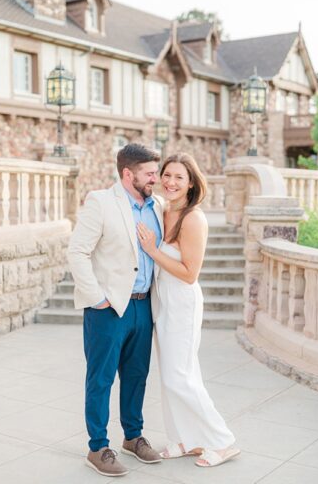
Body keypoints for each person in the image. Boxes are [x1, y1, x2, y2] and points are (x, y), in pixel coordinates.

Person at [136, 153, 240, 467]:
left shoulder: (193, 218)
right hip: (162, 302)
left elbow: (189, 272)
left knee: (181, 376)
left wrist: (153, 251)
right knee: (171, 377)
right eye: (167, 175)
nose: (170, 182)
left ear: (191, 182)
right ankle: (184, 439)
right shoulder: (163, 209)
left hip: (182, 302)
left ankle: (221, 441)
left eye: (179, 177)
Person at [68, 143, 164, 477]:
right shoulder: (101, 202)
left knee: (137, 377)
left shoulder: (158, 206)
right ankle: (98, 447)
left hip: (143, 306)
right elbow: (77, 251)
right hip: (108, 310)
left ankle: (133, 437)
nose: (157, 178)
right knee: (101, 379)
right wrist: (98, 298)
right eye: (150, 173)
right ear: (128, 173)